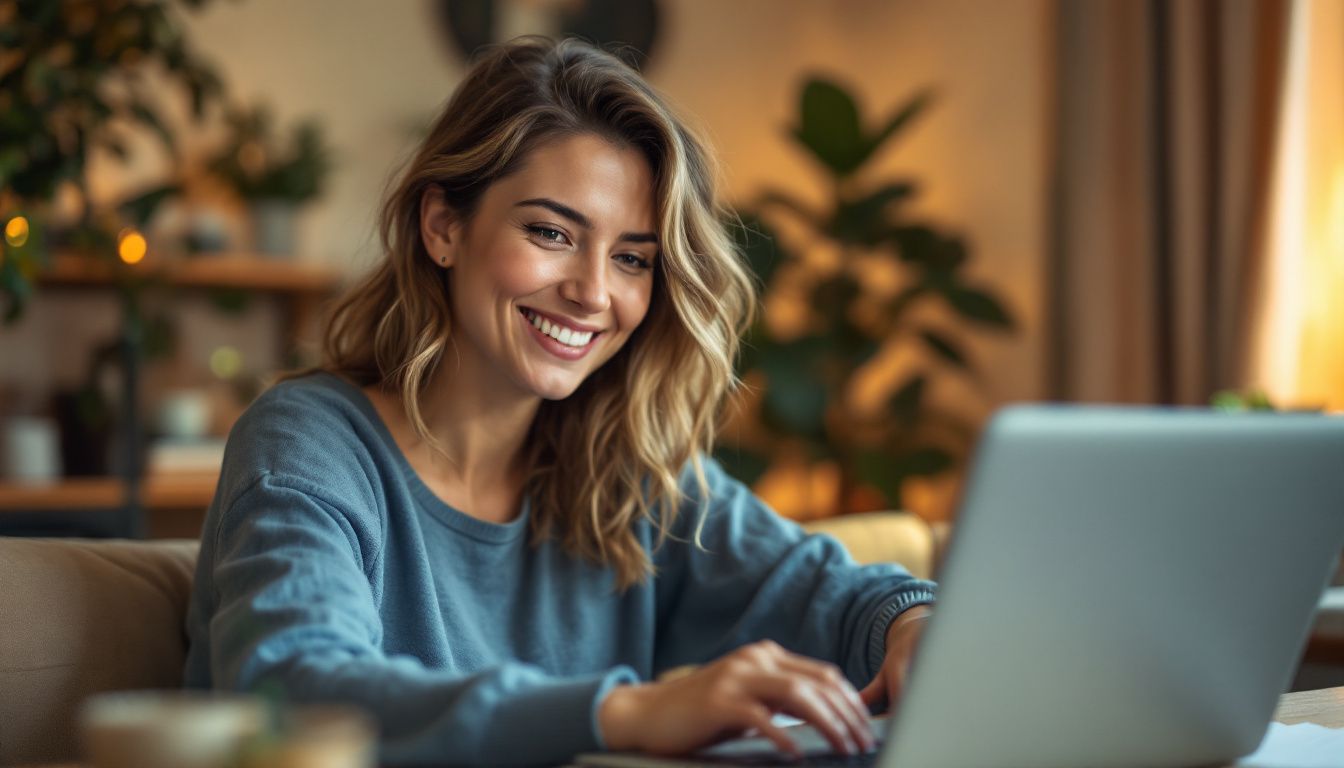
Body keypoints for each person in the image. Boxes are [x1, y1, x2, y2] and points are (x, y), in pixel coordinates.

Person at [183, 36, 937, 766]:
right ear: (443, 226)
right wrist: (627, 713)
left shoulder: (626, 469)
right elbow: (296, 688)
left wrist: (913, 625)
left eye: (633, 258)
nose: (593, 293)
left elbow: (833, 590)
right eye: (551, 232)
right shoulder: (308, 443)